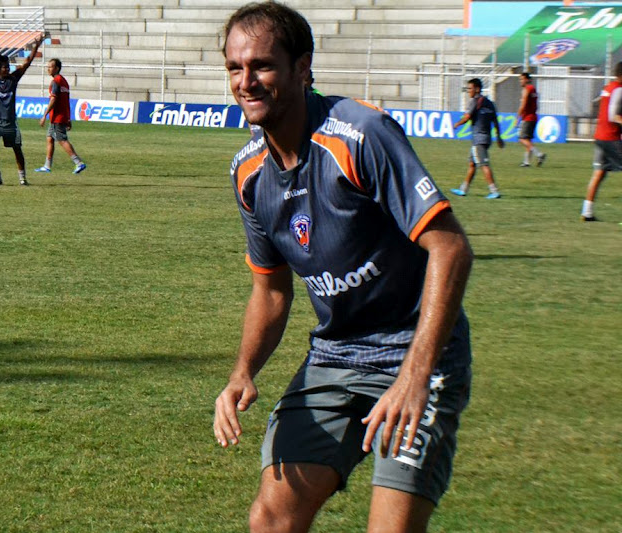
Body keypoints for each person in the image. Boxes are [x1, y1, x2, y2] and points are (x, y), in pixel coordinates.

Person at [213, 3, 474, 532]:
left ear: (302, 67)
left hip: (414, 353)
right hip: (335, 356)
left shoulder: (360, 134)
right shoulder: (248, 172)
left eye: (262, 65)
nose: (246, 82)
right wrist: (242, 372)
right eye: (235, 68)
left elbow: (451, 248)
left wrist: (415, 376)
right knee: (271, 519)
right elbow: (271, 290)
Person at [0, 31, 43, 186]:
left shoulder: (14, 79)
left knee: (17, 149)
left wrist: (36, 46)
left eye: (8, 66)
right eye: (5, 67)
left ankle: (22, 178)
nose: (8, 69)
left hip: (10, 123)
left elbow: (27, 62)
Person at [580, 61, 622, 222]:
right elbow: (613, 115)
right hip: (611, 138)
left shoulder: (607, 88)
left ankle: (587, 212)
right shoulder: (619, 89)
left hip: (600, 136)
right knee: (599, 173)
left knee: (599, 173)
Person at [450, 78, 505, 199]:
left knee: (484, 164)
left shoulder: (475, 101)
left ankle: (494, 191)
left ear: (477, 89)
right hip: (486, 138)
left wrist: (457, 124)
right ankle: (463, 189)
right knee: (472, 164)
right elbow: (495, 121)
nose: (468, 91)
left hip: (478, 139)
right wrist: (499, 137)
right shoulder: (490, 103)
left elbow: (467, 117)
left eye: (470, 88)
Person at [34, 58, 86, 175]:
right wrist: (68, 118)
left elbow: (53, 99)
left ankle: (78, 162)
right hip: (61, 116)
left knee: (62, 140)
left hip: (57, 117)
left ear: (56, 68)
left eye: (50, 67)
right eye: (48, 67)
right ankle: (47, 166)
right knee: (49, 138)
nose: (48, 69)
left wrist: (44, 115)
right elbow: (66, 101)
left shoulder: (56, 82)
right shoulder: (64, 81)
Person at [517, 72, 546, 167]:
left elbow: (523, 105)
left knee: (522, 139)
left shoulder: (527, 89)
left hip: (527, 117)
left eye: (522, 79)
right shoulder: (533, 89)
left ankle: (539, 154)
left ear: (527, 79)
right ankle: (526, 162)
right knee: (528, 140)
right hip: (533, 117)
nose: (520, 81)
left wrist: (517, 117)